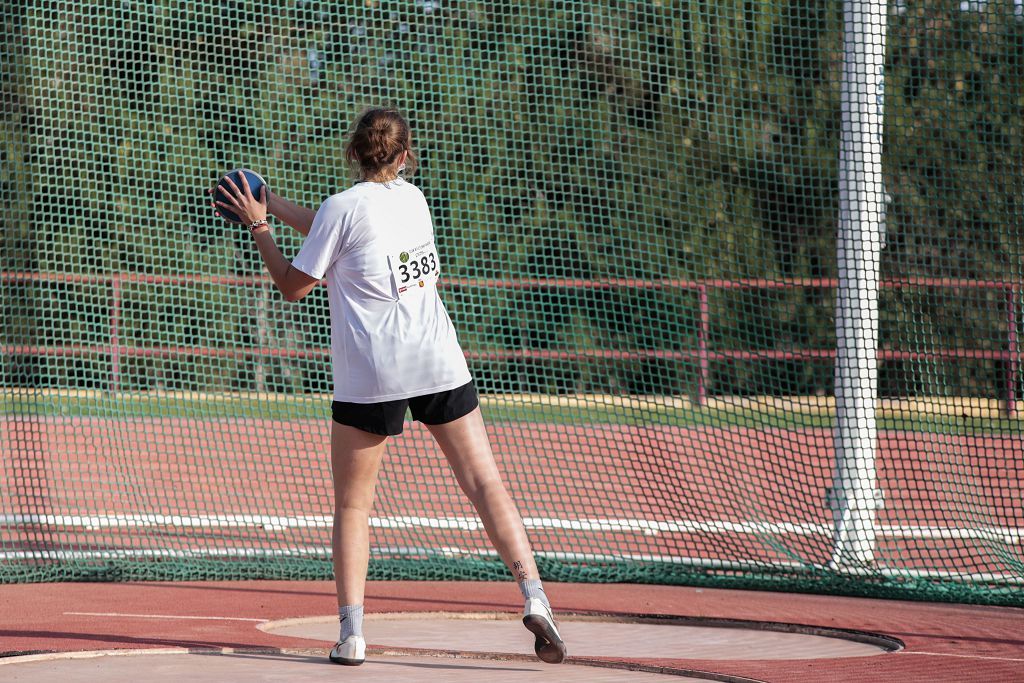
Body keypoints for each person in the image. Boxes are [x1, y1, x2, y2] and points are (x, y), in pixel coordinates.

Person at [211, 107, 567, 666]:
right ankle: (535, 594)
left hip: (373, 374)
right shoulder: (414, 200)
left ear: (352, 152)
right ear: (404, 156)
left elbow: (292, 285)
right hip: (439, 361)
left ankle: (352, 634)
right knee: (485, 482)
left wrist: (260, 226)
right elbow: (338, 234)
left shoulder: (341, 208)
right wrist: (274, 203)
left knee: (354, 505)